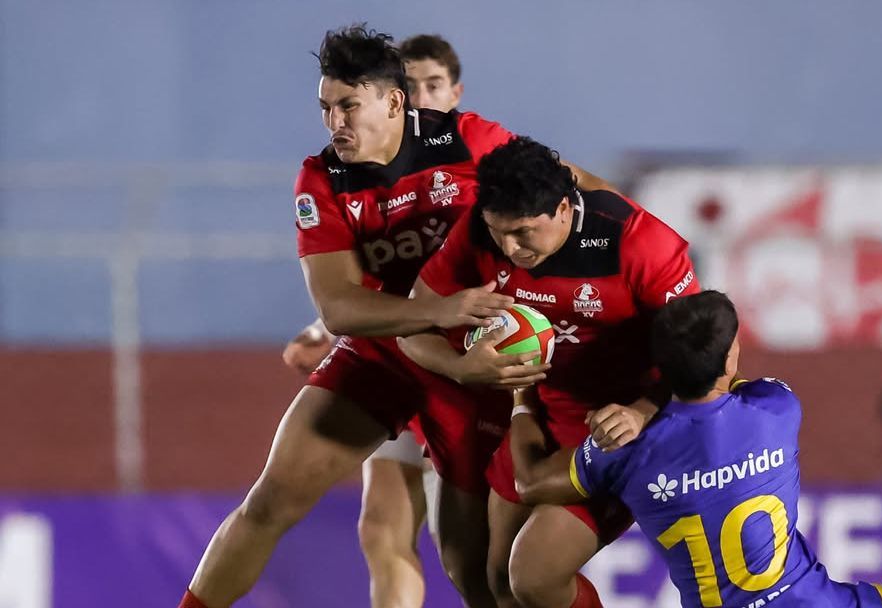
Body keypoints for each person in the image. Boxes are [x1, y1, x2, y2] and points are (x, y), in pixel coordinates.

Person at [180, 24, 609, 608]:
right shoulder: (322, 178)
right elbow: (337, 306)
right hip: (388, 349)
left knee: (480, 575)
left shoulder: (467, 140)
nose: (334, 122)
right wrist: (434, 309)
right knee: (274, 498)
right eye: (325, 108)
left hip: (480, 362)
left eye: (348, 106)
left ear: (393, 102)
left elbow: (580, 192)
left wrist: (633, 257)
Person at [509, 291, 882, 608]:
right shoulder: (776, 408)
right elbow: (726, 390)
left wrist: (521, 396)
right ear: (730, 358)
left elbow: (530, 482)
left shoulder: (624, 448)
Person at [399, 136, 701, 607]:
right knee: (498, 582)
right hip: (536, 416)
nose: (509, 247)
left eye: (522, 232)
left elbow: (703, 356)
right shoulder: (477, 232)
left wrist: (642, 411)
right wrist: (460, 367)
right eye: (498, 232)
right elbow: (411, 326)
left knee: (533, 577)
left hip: (621, 430)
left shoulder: (639, 243)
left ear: (563, 208)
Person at [280, 33, 468, 608]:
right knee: (381, 526)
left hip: (466, 367)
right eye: (414, 84)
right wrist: (324, 329)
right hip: (395, 355)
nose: (423, 96)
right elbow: (355, 283)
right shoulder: (344, 173)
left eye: (434, 85)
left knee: (469, 555)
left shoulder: (470, 156)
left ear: (455, 93)